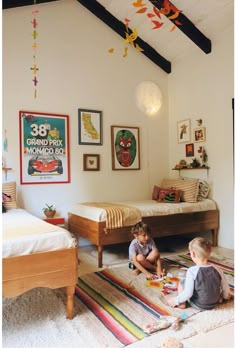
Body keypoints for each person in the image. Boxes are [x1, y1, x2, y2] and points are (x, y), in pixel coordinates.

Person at [167, 237, 231, 310]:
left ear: (193, 254)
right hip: (214, 302)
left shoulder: (192, 271)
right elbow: (225, 287)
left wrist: (175, 300)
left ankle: (182, 303)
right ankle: (218, 298)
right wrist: (225, 296)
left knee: (182, 283)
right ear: (209, 253)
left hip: (198, 304)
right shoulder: (218, 269)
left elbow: (188, 293)